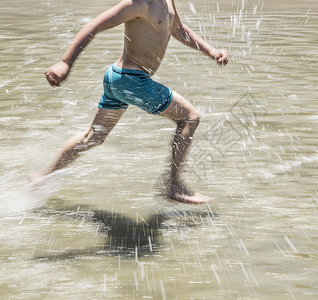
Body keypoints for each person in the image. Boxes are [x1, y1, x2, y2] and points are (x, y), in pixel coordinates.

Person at [33, 0, 228, 204]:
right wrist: (65, 62)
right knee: (190, 118)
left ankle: (43, 177)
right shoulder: (139, 4)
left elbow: (178, 29)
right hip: (131, 80)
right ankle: (173, 186)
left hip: (119, 78)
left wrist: (211, 51)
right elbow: (94, 25)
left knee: (93, 137)